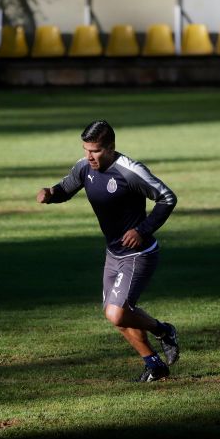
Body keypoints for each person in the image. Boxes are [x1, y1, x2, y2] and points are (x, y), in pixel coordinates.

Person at [36, 120, 180, 382]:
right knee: (120, 316)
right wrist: (50, 193)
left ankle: (164, 331)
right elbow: (66, 187)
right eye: (86, 150)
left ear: (111, 148)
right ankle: (154, 365)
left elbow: (167, 197)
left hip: (139, 254)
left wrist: (143, 230)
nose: (89, 156)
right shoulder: (84, 167)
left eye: (96, 151)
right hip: (113, 254)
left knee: (117, 311)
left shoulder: (130, 171)